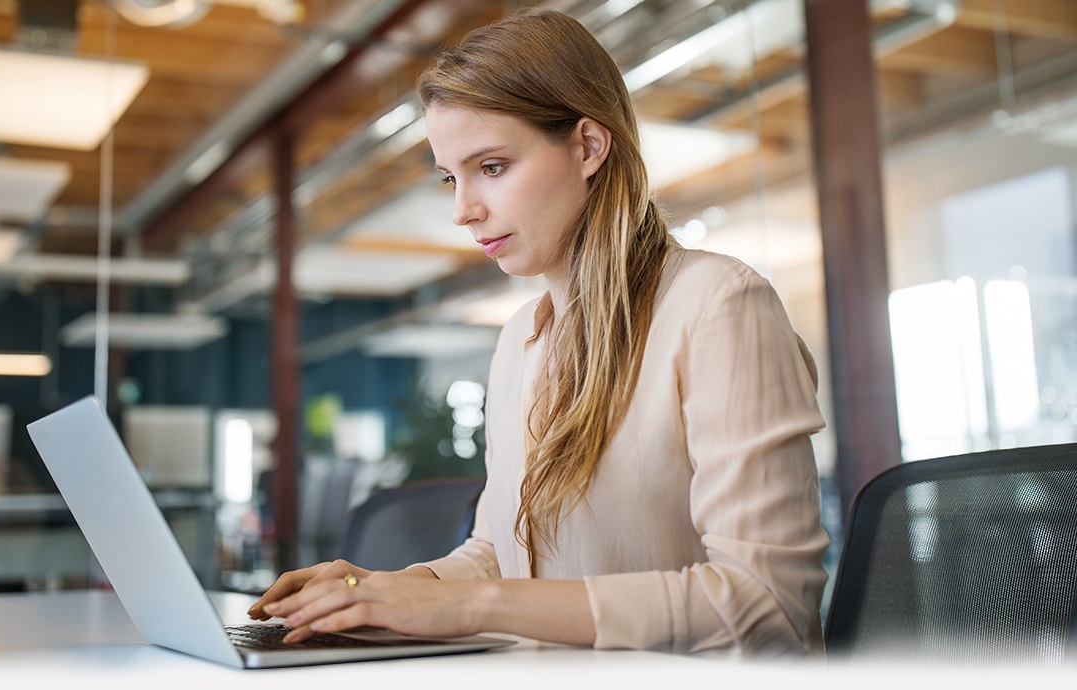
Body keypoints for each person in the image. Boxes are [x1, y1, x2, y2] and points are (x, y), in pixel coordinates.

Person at [248, 6, 829, 658]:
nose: (463, 211)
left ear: (588, 146)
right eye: (451, 177)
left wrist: (469, 606)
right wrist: (380, 592)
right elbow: (502, 553)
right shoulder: (521, 338)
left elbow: (766, 603)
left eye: (491, 167)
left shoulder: (719, 305)